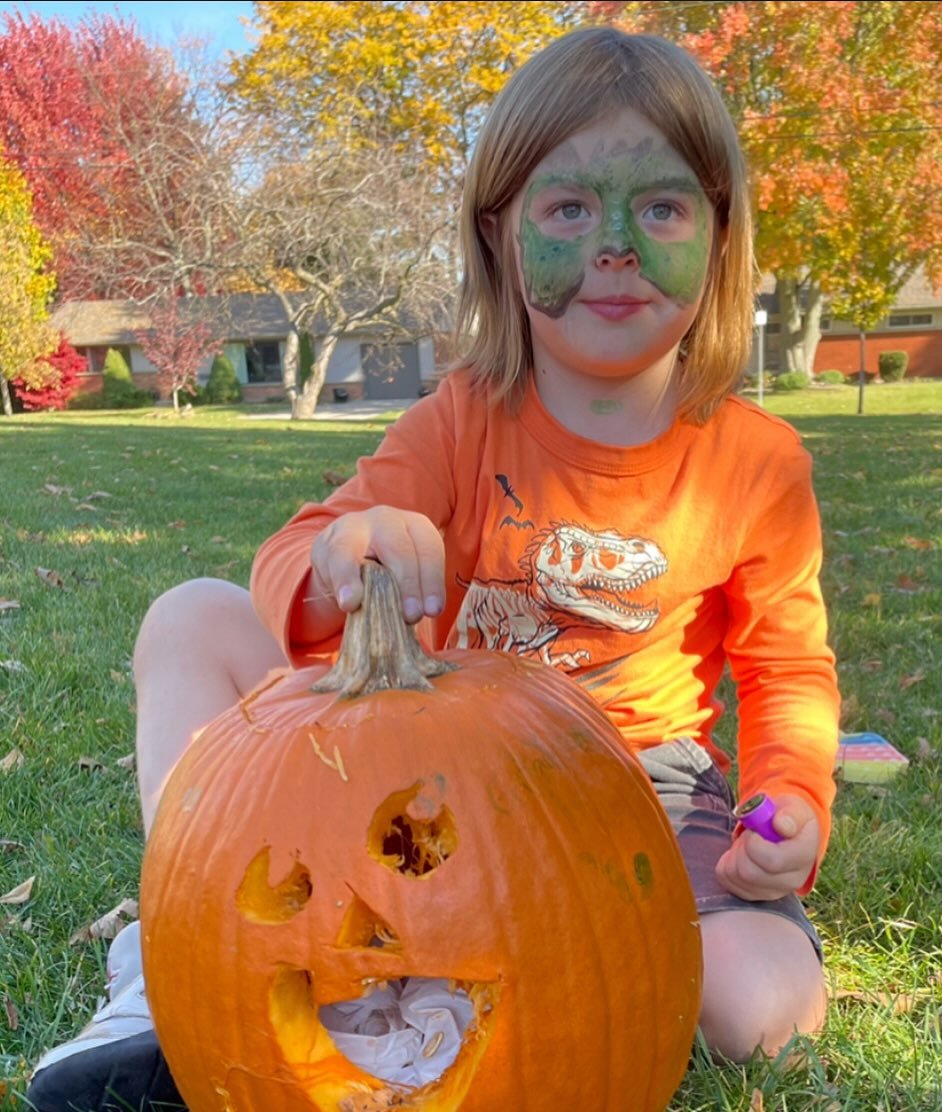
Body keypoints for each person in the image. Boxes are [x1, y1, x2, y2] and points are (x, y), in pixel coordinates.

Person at [27, 25, 841, 1112]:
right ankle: (170, 958)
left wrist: (792, 801)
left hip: (648, 783)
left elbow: (788, 666)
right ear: (500, 235)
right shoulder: (460, 419)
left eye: (658, 206)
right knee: (190, 614)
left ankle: (569, 970)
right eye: (568, 208)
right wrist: (344, 552)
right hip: (446, 773)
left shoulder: (757, 462)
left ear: (718, 234)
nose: (615, 245)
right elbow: (296, 558)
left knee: (763, 1012)